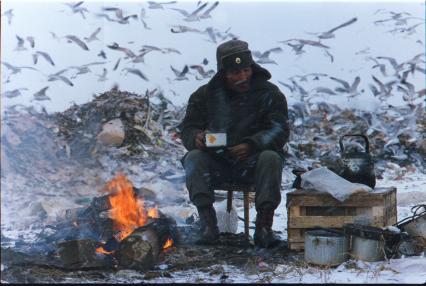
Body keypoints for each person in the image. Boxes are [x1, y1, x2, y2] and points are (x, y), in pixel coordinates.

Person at [179, 39, 290, 248]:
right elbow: (188, 128)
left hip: (253, 164)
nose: (242, 77)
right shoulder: (204, 96)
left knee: (271, 158)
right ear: (223, 72)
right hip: (216, 165)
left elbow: (279, 129)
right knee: (193, 158)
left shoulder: (270, 94)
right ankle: (208, 226)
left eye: (246, 70)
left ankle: (264, 228)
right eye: (234, 73)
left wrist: (252, 144)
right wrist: (196, 138)